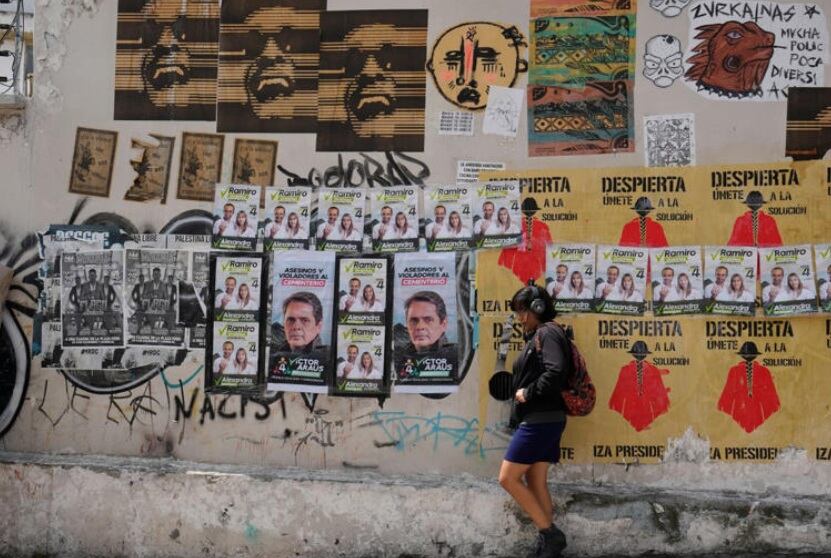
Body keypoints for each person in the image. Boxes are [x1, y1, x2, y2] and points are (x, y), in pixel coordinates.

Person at [498, 285, 569, 558]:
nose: (519, 317)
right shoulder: (542, 334)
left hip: (540, 420)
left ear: (537, 308)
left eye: (522, 310)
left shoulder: (547, 333)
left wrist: (527, 392)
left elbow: (556, 371)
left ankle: (551, 535)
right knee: (535, 480)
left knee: (507, 478)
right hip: (546, 419)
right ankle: (548, 544)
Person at [400, 291, 457, 360]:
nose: (420, 327)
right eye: (414, 320)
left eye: (428, 320)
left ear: (443, 324)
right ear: (407, 324)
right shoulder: (399, 358)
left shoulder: (457, 359)